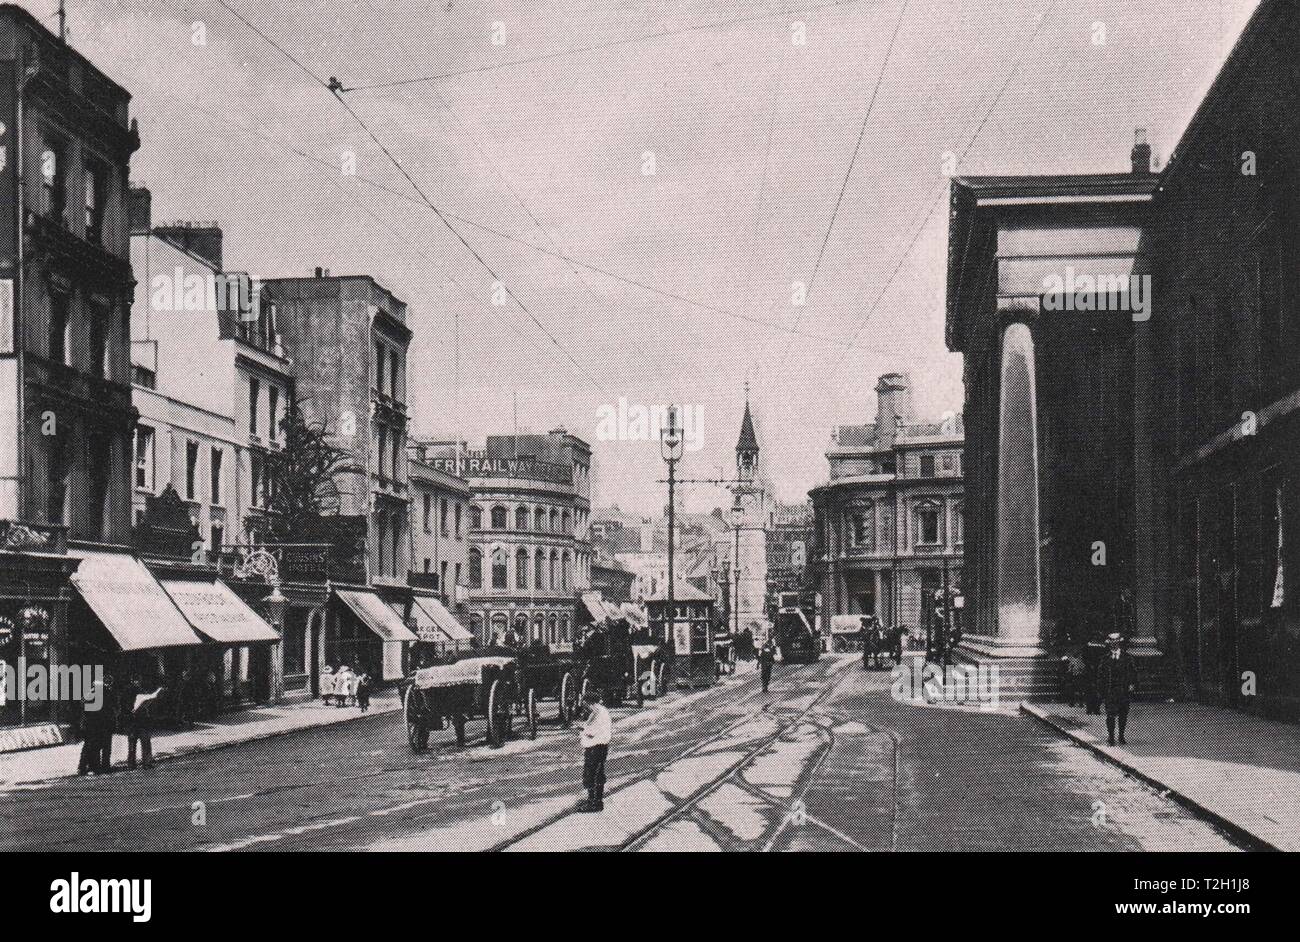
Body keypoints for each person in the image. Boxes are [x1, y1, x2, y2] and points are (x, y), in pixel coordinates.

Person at [1097, 632, 1136, 745]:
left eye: (1116, 641)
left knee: (1123, 714)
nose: (1114, 643)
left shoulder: (1127, 657)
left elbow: (1133, 672)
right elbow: (1100, 675)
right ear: (1109, 643)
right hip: (1110, 690)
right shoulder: (1105, 659)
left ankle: (1121, 735)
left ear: (1119, 642)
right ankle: (1111, 736)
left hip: (1123, 690)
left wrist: (1132, 684)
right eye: (1112, 641)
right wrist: (1100, 690)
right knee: (1110, 714)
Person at [578, 690, 611, 813]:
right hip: (602, 747)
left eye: (585, 704)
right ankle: (597, 801)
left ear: (589, 703)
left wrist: (583, 729)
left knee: (590, 775)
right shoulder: (603, 711)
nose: (584, 707)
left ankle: (594, 803)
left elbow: (592, 732)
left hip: (594, 748)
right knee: (598, 774)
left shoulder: (597, 713)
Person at [122, 674, 164, 770]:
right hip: (135, 720)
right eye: (135, 680)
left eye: (138, 680)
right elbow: (124, 704)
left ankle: (136, 763)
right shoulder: (130, 691)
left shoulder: (139, 690)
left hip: (138, 720)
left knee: (139, 742)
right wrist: (131, 710)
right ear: (132, 680)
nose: (137, 682)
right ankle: (140, 763)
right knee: (137, 743)